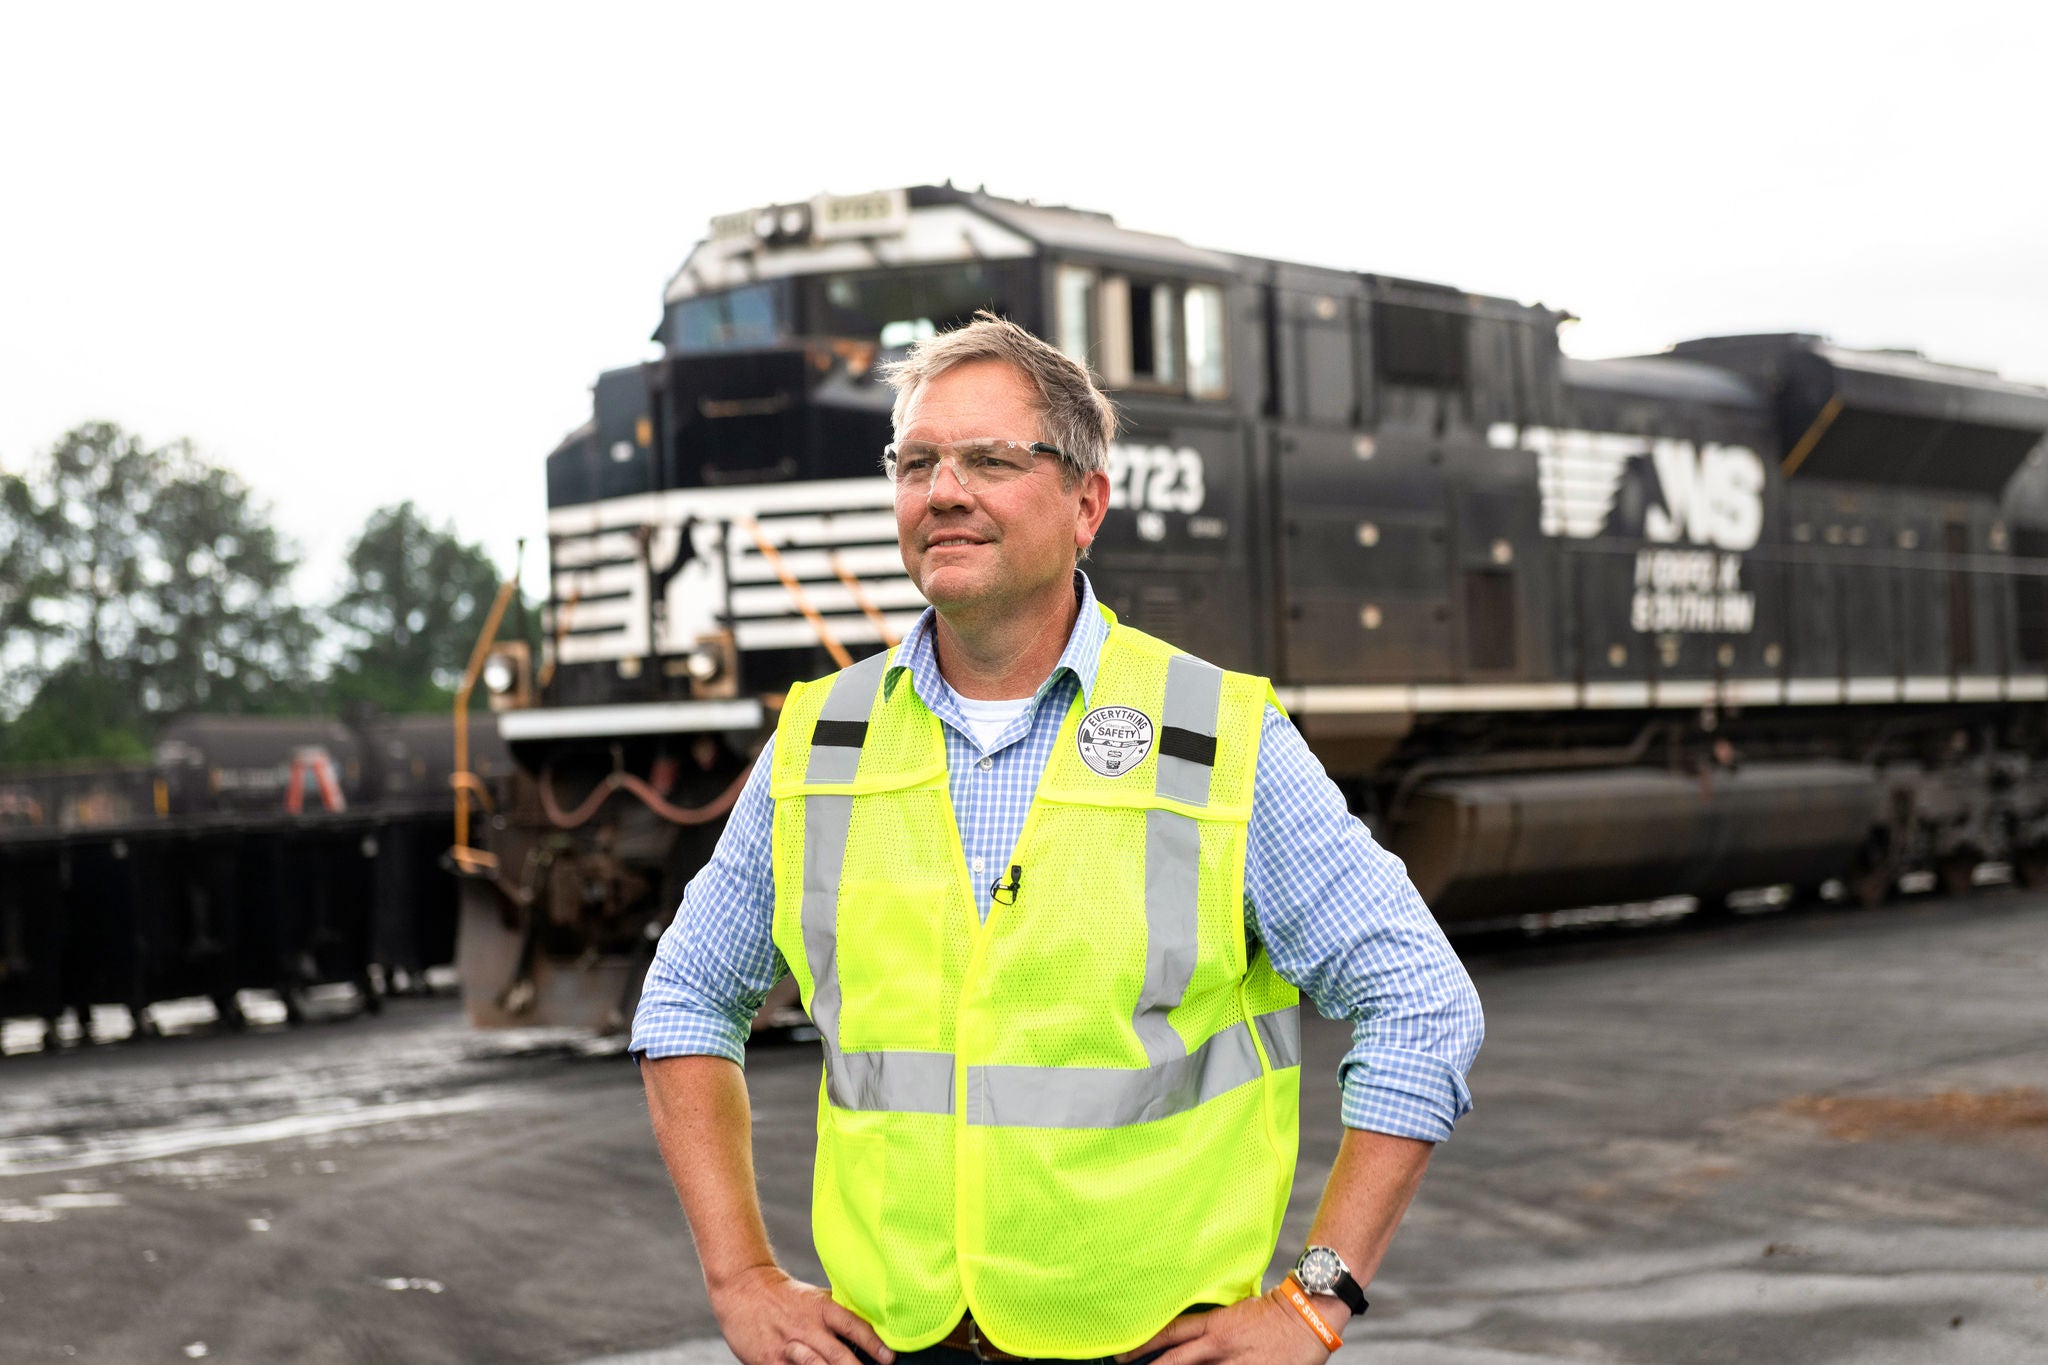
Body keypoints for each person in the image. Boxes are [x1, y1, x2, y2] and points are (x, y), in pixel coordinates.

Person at [634, 313, 1483, 1365]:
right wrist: (741, 1278)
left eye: (990, 459)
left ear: (1087, 503)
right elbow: (683, 1000)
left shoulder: (1217, 738)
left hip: (1148, 1347)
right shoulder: (821, 743)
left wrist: (1317, 1298)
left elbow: (1420, 1004)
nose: (943, 490)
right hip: (890, 1345)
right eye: (915, 462)